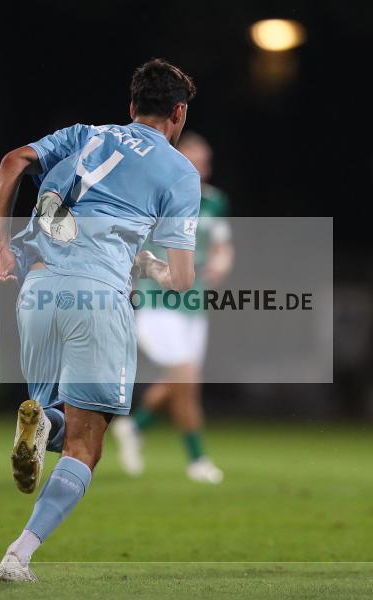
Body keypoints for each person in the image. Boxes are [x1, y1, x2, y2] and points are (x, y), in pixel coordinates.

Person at [0, 58, 199, 583]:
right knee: (87, 443)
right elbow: (184, 279)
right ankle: (19, 555)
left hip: (35, 293)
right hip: (99, 299)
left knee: (59, 416)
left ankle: (39, 427)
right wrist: (153, 269)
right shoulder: (179, 171)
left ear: (130, 108)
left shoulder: (83, 133)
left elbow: (13, 160)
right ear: (178, 113)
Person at [112, 132, 233, 484]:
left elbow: (223, 246)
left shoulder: (214, 201)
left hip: (194, 305)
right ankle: (198, 460)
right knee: (186, 379)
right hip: (156, 302)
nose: (201, 168)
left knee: (182, 381)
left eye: (205, 161)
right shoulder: (157, 196)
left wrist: (222, 264)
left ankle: (134, 426)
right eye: (195, 160)